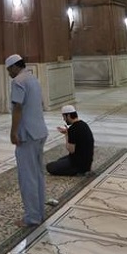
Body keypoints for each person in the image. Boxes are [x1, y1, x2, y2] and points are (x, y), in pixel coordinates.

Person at [6, 53, 48, 227]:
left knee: (27, 177)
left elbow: (18, 107)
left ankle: (32, 217)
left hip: (27, 135)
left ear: (15, 67)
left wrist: (13, 132)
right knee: (37, 174)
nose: (9, 73)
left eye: (9, 70)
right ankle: (39, 212)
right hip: (40, 132)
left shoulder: (18, 82)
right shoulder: (32, 78)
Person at [46, 105, 94, 176]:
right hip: (87, 162)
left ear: (68, 116)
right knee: (59, 160)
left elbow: (71, 150)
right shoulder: (84, 124)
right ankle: (81, 169)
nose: (64, 119)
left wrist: (66, 134)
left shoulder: (73, 129)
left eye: (64, 117)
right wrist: (68, 132)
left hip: (78, 163)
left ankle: (77, 172)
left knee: (49, 167)